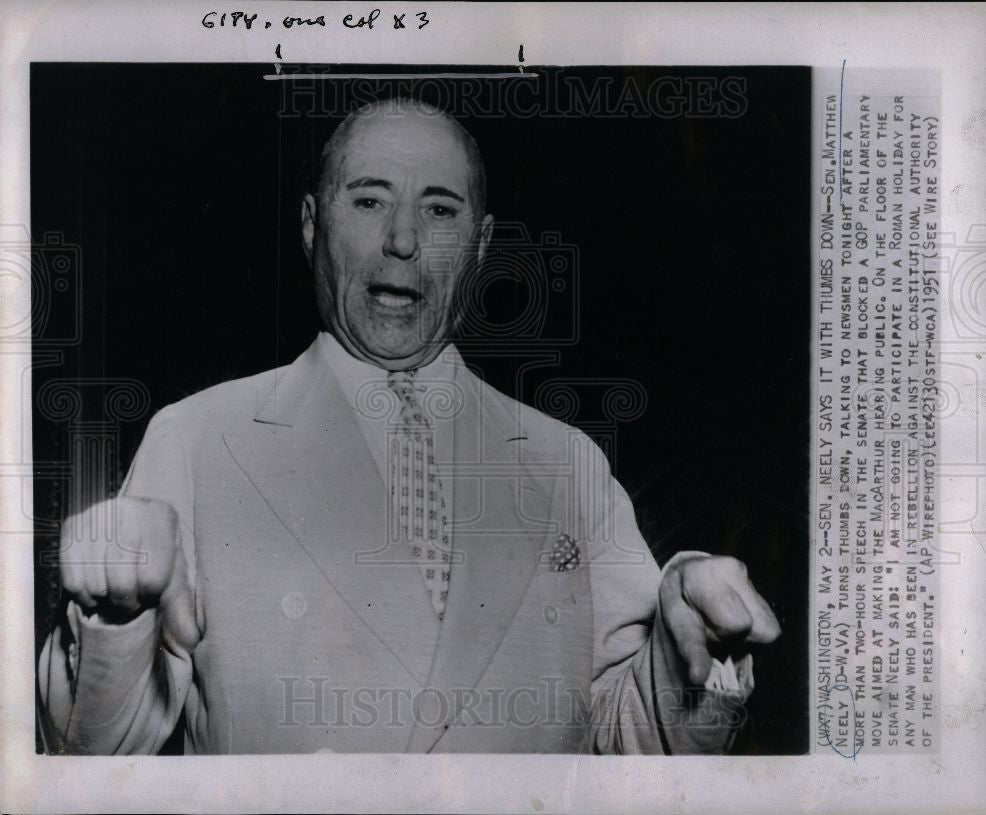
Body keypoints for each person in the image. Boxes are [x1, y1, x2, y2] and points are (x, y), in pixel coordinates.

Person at [38, 97, 780, 755]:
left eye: (440, 209)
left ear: (482, 246)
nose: (402, 239)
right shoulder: (197, 440)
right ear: (310, 224)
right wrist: (114, 619)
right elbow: (89, 753)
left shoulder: (569, 465)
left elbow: (633, 739)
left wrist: (696, 652)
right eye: (367, 201)